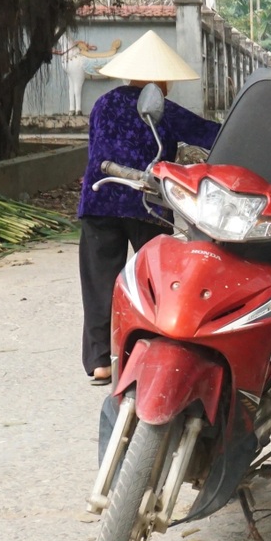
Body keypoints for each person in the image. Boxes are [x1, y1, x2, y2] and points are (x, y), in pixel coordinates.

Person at [77, 30, 220, 385]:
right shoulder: (162, 108)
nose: (168, 85)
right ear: (158, 80)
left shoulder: (103, 103)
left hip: (100, 198)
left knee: (99, 283)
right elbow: (213, 135)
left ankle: (100, 362)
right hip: (147, 202)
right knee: (157, 282)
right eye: (166, 79)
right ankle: (153, 348)